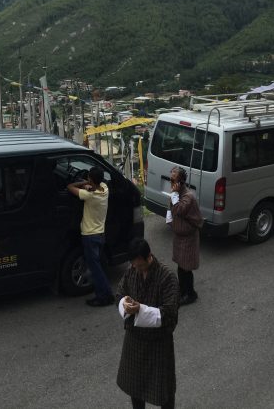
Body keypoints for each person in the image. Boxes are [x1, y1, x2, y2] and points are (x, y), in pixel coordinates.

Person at [117, 238, 179, 409]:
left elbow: (169, 314)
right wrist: (125, 303)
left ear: (149, 256)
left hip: (158, 343)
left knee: (163, 390)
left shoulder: (167, 277)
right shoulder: (132, 271)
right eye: (134, 265)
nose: (137, 269)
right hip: (135, 341)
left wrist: (140, 310)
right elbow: (120, 293)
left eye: (140, 266)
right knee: (135, 388)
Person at [67, 169, 117, 307]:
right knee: (99, 266)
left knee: (95, 269)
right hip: (100, 234)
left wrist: (83, 183)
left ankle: (104, 296)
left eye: (89, 178)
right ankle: (106, 294)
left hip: (89, 236)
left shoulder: (88, 195)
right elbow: (95, 186)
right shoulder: (104, 189)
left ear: (91, 180)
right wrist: (89, 184)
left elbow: (70, 187)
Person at [166, 167, 202, 305]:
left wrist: (174, 195)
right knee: (181, 266)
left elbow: (179, 210)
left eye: (173, 179)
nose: (171, 182)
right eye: (171, 178)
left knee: (186, 268)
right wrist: (169, 218)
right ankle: (183, 291)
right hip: (179, 236)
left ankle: (190, 293)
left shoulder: (188, 196)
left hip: (188, 238)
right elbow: (172, 208)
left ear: (180, 181)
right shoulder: (177, 194)